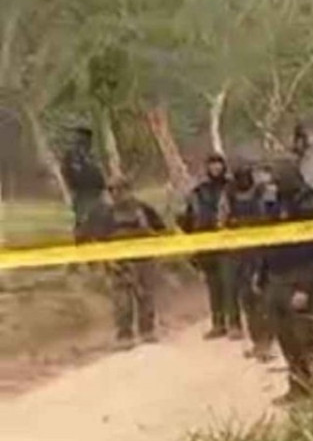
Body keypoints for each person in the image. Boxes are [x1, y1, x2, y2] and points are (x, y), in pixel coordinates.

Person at [257, 158, 313, 403]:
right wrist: (262, 277)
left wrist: (304, 288)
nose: (272, 185)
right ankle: (297, 387)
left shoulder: (309, 202)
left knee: (304, 336)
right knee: (285, 337)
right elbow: (268, 242)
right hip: (276, 278)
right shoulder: (273, 203)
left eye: (276, 179)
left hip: (299, 278)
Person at [80, 176, 167, 351]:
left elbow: (161, 229)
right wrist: (106, 260)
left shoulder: (143, 209)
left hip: (144, 260)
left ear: (128, 190)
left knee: (146, 297)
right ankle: (124, 334)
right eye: (112, 191)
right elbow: (96, 238)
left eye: (120, 190)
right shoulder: (105, 214)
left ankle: (147, 331)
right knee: (122, 301)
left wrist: (153, 244)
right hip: (119, 263)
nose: (116, 195)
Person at [219, 160, 273, 360]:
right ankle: (258, 341)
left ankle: (267, 342)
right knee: (247, 299)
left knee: (263, 298)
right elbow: (221, 221)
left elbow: (271, 216)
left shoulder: (263, 191)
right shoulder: (228, 194)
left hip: (262, 251)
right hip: (239, 252)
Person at [181, 153, 237, 339]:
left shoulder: (231, 188)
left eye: (218, 164)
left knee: (229, 283)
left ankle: (234, 323)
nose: (215, 168)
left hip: (228, 243)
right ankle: (218, 324)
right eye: (212, 164)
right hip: (206, 244)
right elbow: (190, 218)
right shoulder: (199, 192)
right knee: (214, 286)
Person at [59, 125, 106, 241]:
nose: (80, 140)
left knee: (97, 219)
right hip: (81, 192)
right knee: (82, 219)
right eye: (79, 137)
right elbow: (66, 173)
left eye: (84, 137)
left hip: (95, 192)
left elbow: (100, 172)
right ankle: (82, 245)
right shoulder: (71, 155)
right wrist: (69, 190)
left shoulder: (93, 155)